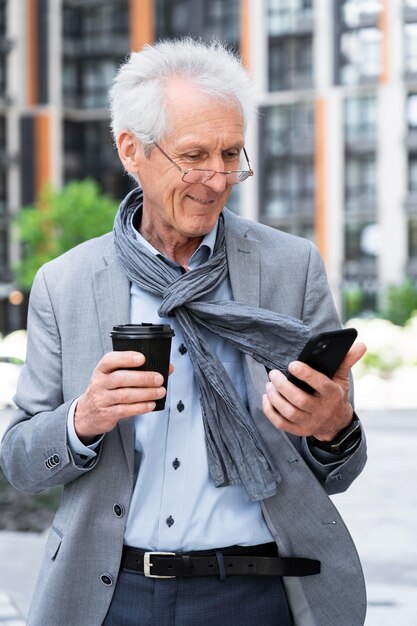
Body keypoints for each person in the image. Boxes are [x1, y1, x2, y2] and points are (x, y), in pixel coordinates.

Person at [0, 38, 368, 626]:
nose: (217, 178)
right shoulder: (64, 283)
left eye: (231, 154)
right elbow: (20, 463)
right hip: (110, 597)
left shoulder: (290, 267)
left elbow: (343, 468)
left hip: (259, 597)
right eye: (194, 154)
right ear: (131, 150)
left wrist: (333, 428)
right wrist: (84, 418)